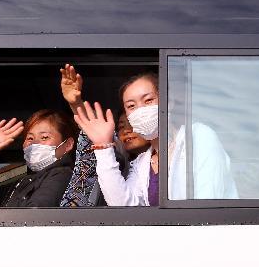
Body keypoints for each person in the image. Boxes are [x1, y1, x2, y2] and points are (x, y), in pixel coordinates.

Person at [73, 72, 238, 206]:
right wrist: (103, 147)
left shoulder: (198, 136)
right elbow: (122, 205)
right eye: (131, 106)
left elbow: (208, 206)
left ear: (168, 102)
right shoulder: (142, 163)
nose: (140, 110)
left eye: (148, 100)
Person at [58, 64, 149, 207]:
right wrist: (76, 103)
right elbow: (95, 129)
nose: (126, 131)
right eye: (121, 127)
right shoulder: (117, 153)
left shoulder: (165, 154)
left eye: (132, 125)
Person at [0, 109, 77, 207]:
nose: (34, 143)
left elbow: (33, 219)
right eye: (30, 138)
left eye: (44, 137)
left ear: (67, 145)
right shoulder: (22, 183)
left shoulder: (62, 175)